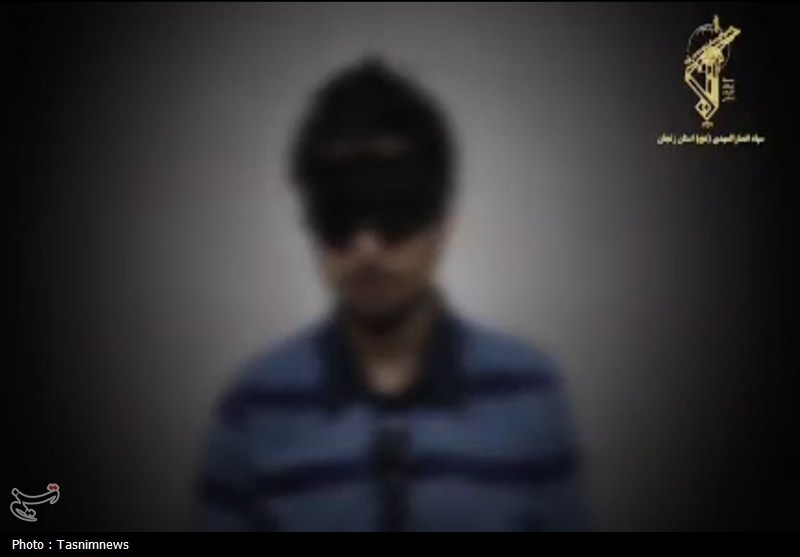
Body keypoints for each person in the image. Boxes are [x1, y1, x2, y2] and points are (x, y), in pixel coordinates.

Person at [195, 57, 590, 532]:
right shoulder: (254, 409)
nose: (367, 248)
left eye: (395, 205)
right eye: (340, 210)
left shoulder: (529, 396)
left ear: (443, 223)